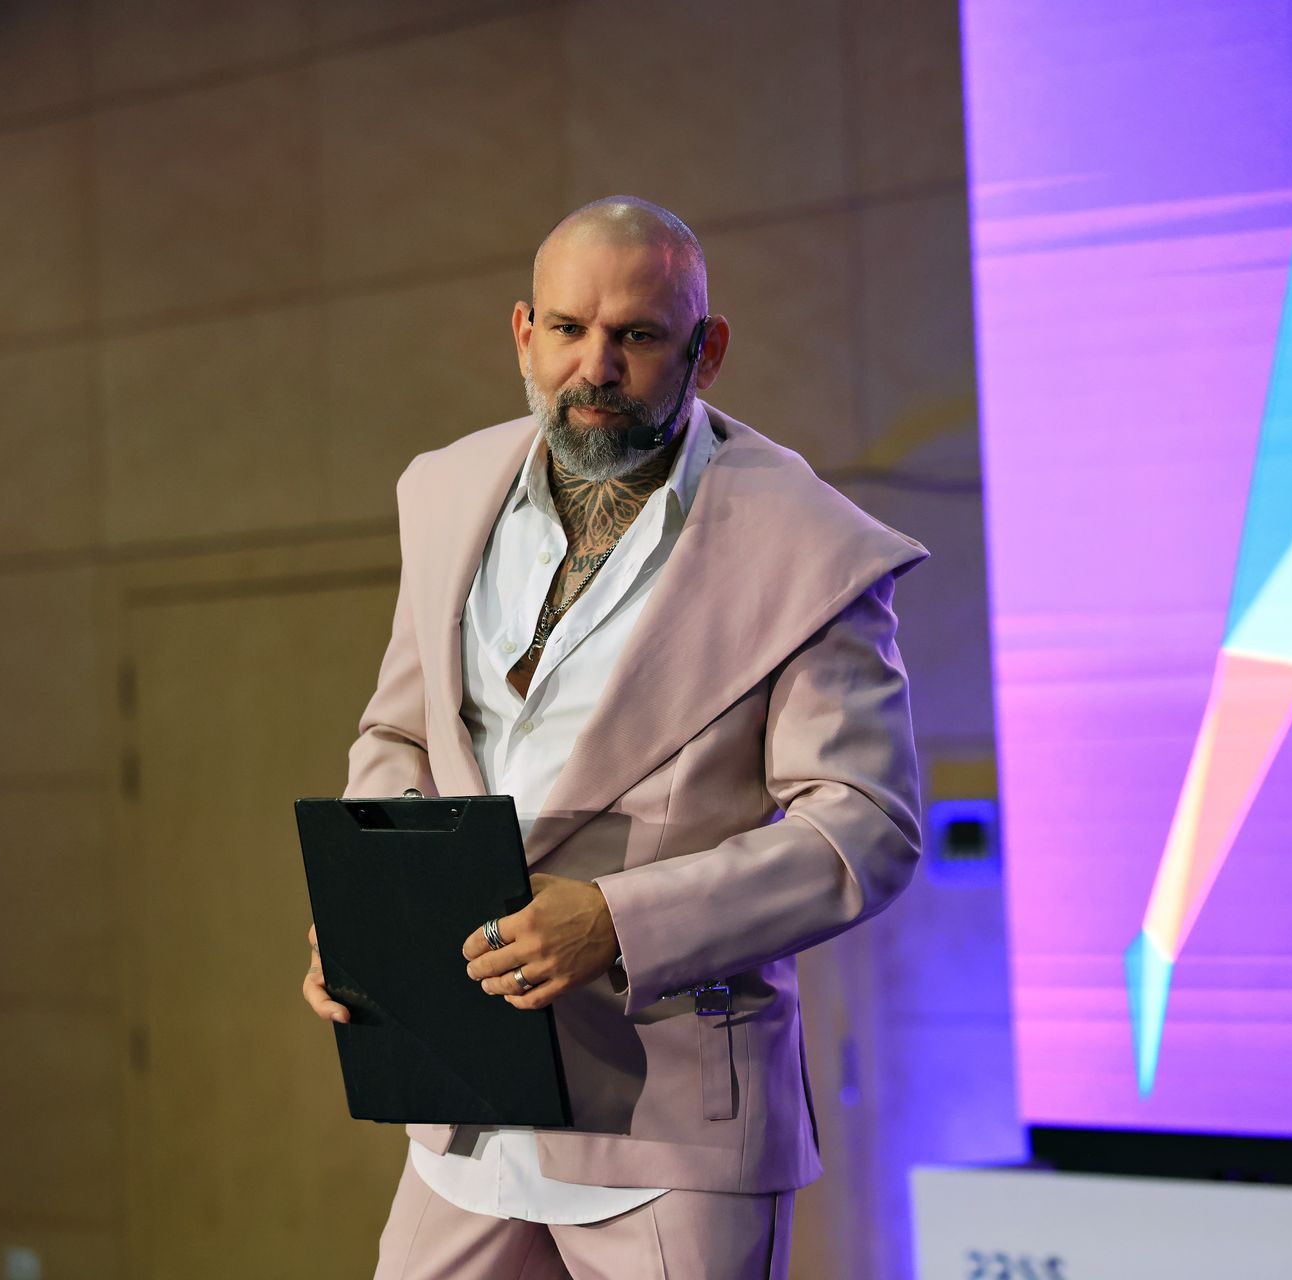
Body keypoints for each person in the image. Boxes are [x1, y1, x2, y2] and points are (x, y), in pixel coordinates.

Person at [302, 194, 927, 1279]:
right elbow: (399, 730)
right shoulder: (445, 493)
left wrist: (619, 919)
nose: (596, 366)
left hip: (671, 1117)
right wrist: (377, 915)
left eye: (636, 334)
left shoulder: (809, 545)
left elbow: (865, 827)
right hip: (466, 1097)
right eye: (568, 328)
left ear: (705, 350)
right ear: (523, 334)